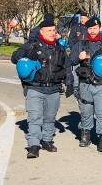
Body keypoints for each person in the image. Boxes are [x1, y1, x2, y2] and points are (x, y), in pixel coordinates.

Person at [11, 16, 71, 158]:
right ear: (41, 32)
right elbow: (14, 58)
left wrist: (70, 83)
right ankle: (33, 145)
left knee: (50, 117)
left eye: (53, 30)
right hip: (35, 88)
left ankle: (47, 141)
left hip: (54, 89)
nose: (52, 32)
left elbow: (67, 67)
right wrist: (26, 52)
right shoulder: (32, 45)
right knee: (35, 117)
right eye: (48, 30)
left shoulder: (60, 48)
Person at [69, 17, 102, 152]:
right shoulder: (81, 44)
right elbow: (71, 61)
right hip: (85, 84)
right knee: (86, 112)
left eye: (95, 28)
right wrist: (78, 58)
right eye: (90, 28)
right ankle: (86, 135)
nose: (92, 31)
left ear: (100, 28)